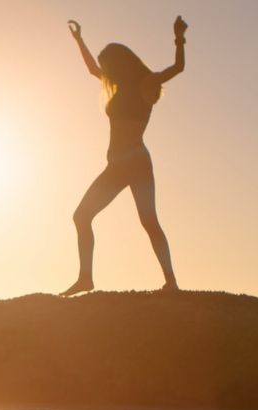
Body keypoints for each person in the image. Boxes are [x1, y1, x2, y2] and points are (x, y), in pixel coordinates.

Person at [61, 16, 188, 296]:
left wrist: (178, 37)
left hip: (136, 162)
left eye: (109, 64)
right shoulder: (116, 87)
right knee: (82, 216)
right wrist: (79, 40)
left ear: (119, 63)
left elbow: (178, 67)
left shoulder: (146, 84)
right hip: (117, 166)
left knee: (149, 221)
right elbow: (92, 69)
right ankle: (85, 279)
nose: (104, 70)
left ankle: (171, 282)